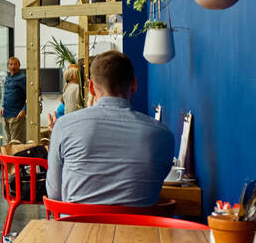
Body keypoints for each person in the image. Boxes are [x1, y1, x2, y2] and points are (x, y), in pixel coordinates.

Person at [45, 50, 173, 206]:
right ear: (134, 84)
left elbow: (54, 194)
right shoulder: (163, 135)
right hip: (139, 229)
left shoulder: (64, 126)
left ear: (91, 88)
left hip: (77, 228)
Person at [1, 56, 27, 144]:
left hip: (16, 115)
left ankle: (15, 157)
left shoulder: (23, 78)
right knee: (8, 142)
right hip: (6, 115)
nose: (13, 66)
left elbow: (29, 96)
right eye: (11, 64)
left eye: (15, 64)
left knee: (16, 143)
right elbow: (6, 93)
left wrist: (24, 110)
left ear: (19, 66)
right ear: (8, 66)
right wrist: (2, 106)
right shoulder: (7, 78)